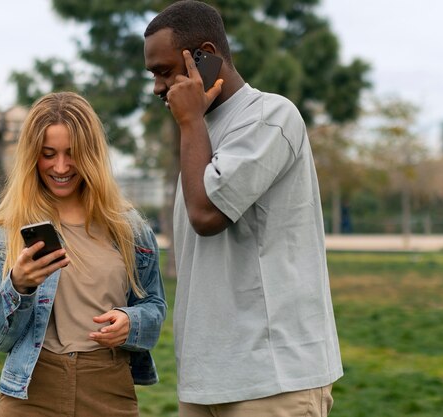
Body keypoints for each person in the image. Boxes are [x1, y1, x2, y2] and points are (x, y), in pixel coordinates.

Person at [143, 1, 343, 416]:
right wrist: (193, 125)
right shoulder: (197, 133)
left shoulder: (270, 116)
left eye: (165, 72)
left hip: (272, 382)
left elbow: (207, 216)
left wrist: (190, 122)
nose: (158, 88)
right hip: (206, 381)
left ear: (205, 56)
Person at [0, 91, 167, 417]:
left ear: (91, 154)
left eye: (72, 154)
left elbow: (155, 309)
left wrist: (130, 322)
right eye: (48, 154)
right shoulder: (6, 231)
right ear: (32, 155)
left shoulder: (129, 228)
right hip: (32, 392)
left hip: (108, 389)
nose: (60, 166)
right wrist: (19, 286)